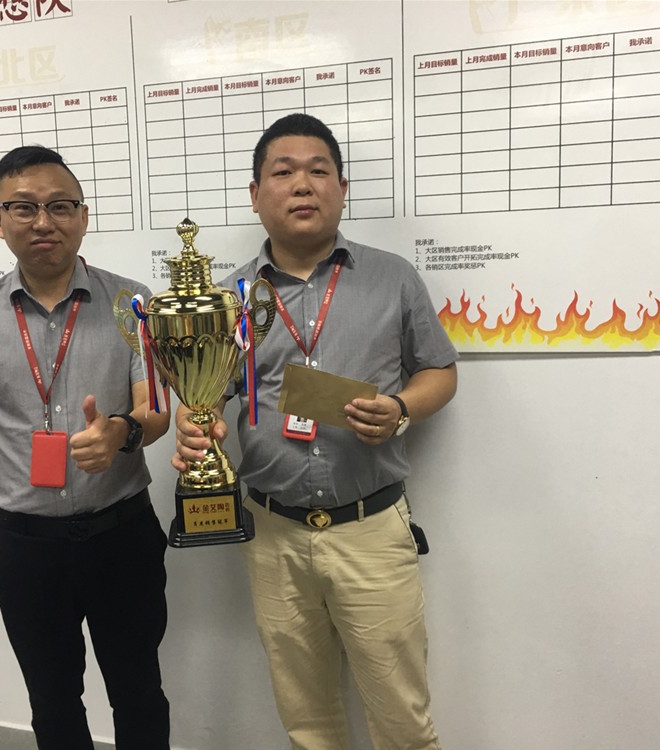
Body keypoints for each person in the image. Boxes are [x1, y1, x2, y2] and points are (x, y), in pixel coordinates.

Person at [173, 113, 458, 750]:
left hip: (371, 529)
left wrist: (401, 409)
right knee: (307, 720)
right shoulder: (226, 298)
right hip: (271, 532)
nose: (303, 184)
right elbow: (207, 397)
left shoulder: (392, 277)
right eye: (283, 172)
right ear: (256, 195)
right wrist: (196, 429)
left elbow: (440, 371)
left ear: (342, 188)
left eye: (318, 171)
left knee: (403, 719)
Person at [0, 145, 171, 750]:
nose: (44, 221)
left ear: (83, 217)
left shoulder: (133, 302)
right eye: (24, 207)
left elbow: (157, 407)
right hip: (26, 546)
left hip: (122, 535)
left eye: (60, 206)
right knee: (53, 701)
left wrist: (121, 431)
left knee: (139, 690)